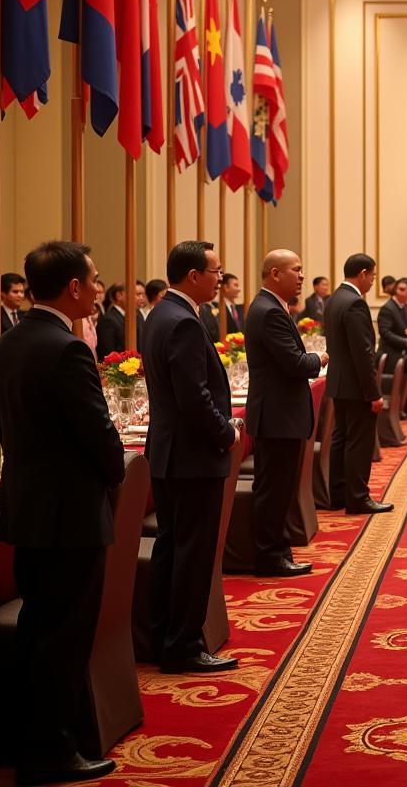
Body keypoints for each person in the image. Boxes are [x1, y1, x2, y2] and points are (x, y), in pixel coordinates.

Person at [0, 241, 124, 785]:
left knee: (36, 628)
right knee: (64, 637)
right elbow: (99, 435)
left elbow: (2, 427)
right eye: (93, 280)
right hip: (70, 515)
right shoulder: (67, 348)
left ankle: (30, 742)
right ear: (73, 287)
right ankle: (53, 751)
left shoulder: (7, 343)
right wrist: (115, 472)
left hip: (27, 509)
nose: (97, 288)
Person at [143, 241, 240, 674]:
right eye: (216, 272)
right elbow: (193, 396)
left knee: (172, 547)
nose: (220, 279)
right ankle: (183, 645)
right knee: (192, 553)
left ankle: (163, 635)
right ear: (193, 276)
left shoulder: (164, 313)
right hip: (192, 456)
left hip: (170, 454)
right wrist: (226, 433)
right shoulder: (182, 320)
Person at [245, 250, 327, 576]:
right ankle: (269, 556)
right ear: (275, 274)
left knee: (278, 489)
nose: (302, 276)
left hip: (279, 415)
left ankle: (277, 551)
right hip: (277, 417)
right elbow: (294, 363)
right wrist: (317, 359)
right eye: (297, 270)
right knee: (273, 490)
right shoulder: (269, 311)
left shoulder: (273, 307)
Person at [324, 253, 391, 514]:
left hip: (339, 384)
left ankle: (338, 495)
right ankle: (358, 498)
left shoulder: (334, 299)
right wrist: (373, 393)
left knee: (341, 438)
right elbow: (362, 353)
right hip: (356, 386)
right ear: (362, 273)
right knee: (358, 442)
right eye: (372, 276)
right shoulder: (355, 303)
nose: (373, 281)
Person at [377, 277, 407, 419]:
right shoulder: (388, 308)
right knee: (394, 387)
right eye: (400, 289)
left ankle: (405, 408)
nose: (403, 293)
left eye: (406, 290)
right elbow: (385, 333)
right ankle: (396, 411)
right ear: (395, 289)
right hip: (391, 355)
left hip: (404, 353)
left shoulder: (405, 307)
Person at [201, 273, 244, 338]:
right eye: (235, 285)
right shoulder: (215, 307)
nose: (239, 289)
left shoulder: (239, 308)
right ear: (226, 287)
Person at [95, 283, 127, 360]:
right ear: (119, 295)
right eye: (134, 294)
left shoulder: (125, 317)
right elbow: (108, 353)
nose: (136, 298)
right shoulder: (109, 319)